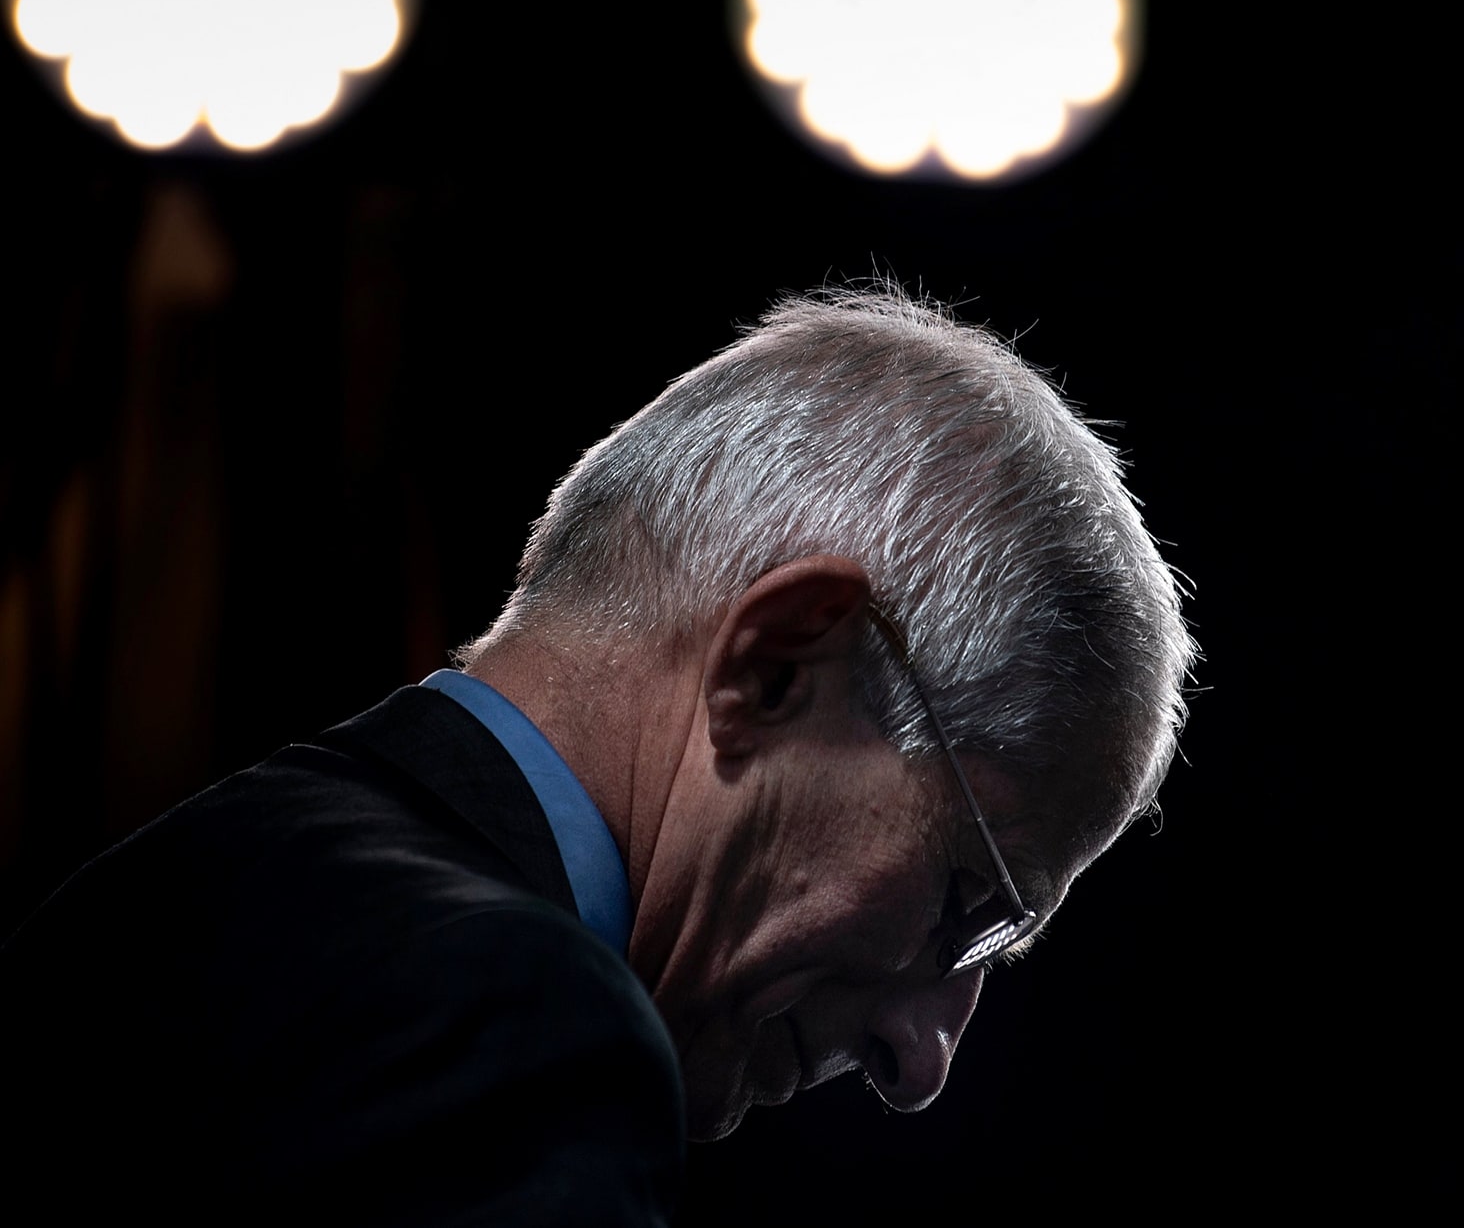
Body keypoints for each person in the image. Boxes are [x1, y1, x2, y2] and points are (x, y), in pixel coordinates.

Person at [3, 286, 1195, 1219]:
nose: (924, 1053)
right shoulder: (507, 1026)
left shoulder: (179, 894)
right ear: (777, 664)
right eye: (965, 905)